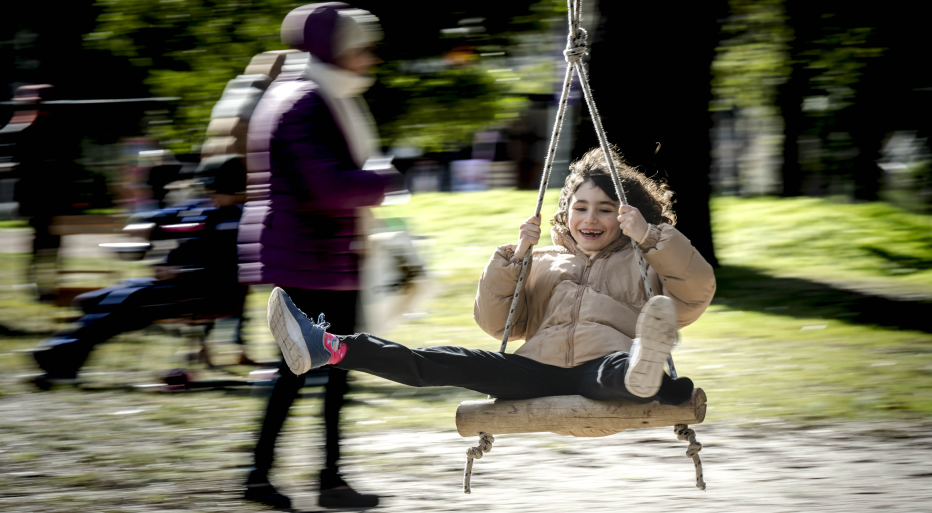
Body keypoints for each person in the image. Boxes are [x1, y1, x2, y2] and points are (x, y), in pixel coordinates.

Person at [267, 147, 716, 417]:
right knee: (447, 360)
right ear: (566, 212)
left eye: (604, 209)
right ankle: (330, 346)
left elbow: (696, 293)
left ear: (624, 215)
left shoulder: (646, 258)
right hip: (536, 368)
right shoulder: (543, 260)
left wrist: (652, 237)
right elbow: (498, 323)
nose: (590, 219)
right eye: (580, 207)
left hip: (603, 366)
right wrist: (515, 259)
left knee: (618, 371)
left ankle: (644, 369)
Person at [238, 3, 402, 510]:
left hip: (324, 256)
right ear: (335, 51)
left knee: (329, 369)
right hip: (309, 259)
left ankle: (324, 477)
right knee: (298, 370)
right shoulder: (305, 102)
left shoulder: (315, 94)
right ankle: (265, 478)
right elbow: (326, 185)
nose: (369, 58)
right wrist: (385, 179)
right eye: (359, 49)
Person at [30, 155, 248, 388]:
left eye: (217, 191)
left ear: (236, 191)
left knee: (128, 301)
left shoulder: (238, 221)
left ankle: (59, 356)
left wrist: (180, 272)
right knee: (94, 299)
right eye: (207, 189)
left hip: (209, 293)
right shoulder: (203, 207)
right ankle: (64, 361)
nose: (210, 196)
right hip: (178, 285)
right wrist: (145, 225)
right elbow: (161, 217)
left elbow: (226, 271)